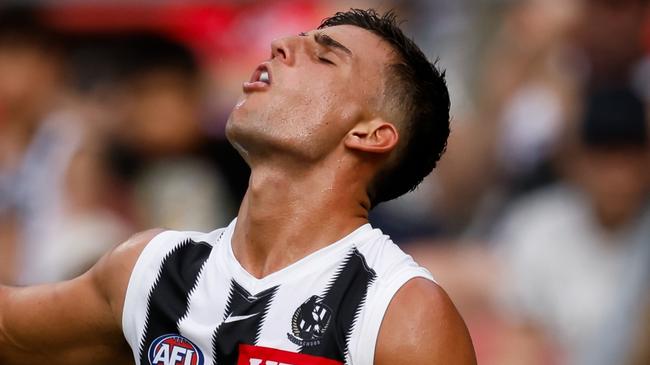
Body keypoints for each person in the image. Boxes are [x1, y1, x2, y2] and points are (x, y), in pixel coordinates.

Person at [0, 9, 476, 365]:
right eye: (297, 38)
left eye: (325, 57)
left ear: (369, 134)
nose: (281, 44)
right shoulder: (151, 272)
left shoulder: (400, 314)